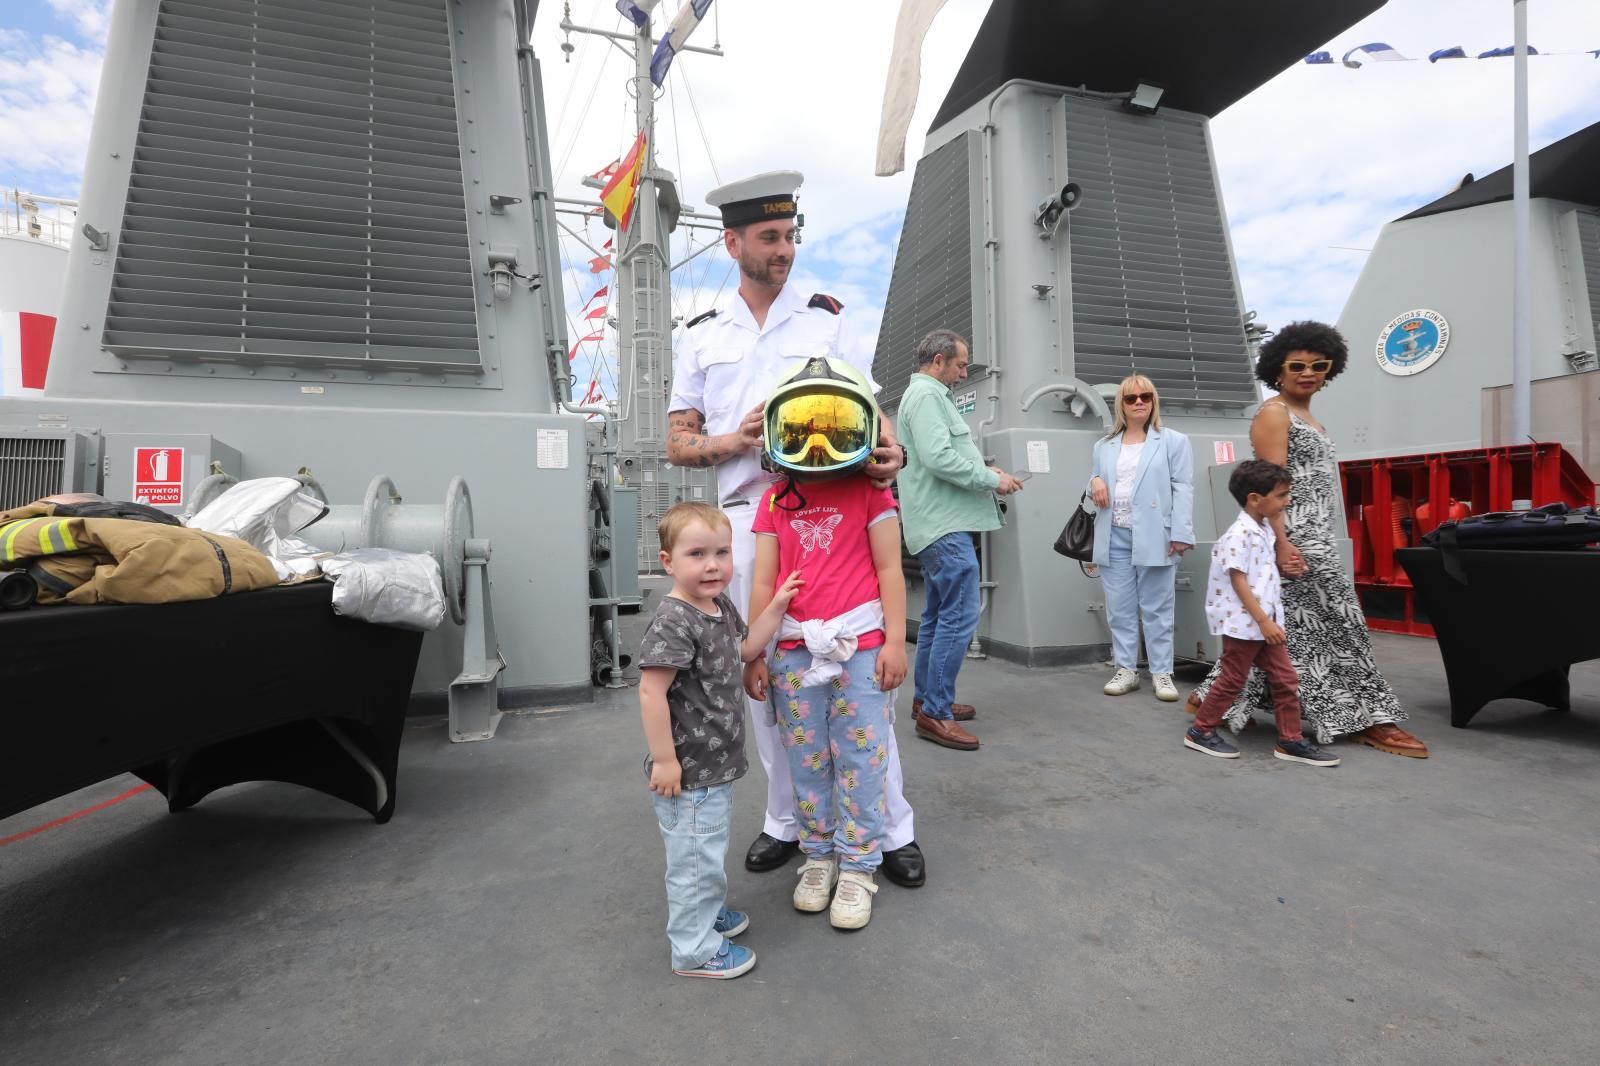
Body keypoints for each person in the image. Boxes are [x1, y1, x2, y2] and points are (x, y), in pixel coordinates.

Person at [664, 170, 926, 888]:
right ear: (734, 242)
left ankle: (889, 828)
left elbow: (871, 410)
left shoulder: (823, 321)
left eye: (790, 237)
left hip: (835, 515)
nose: (784, 250)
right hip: (751, 523)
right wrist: (732, 442)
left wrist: (894, 451)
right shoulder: (703, 337)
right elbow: (678, 440)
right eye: (770, 238)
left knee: (865, 681)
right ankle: (787, 820)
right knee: (772, 687)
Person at [1184, 321, 1428, 757]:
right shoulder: (1275, 413)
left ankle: (1214, 698)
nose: (1307, 372)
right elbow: (1271, 485)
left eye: (1319, 365)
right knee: (1340, 625)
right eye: (1296, 365)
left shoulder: (1308, 415)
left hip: (1315, 536)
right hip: (1295, 539)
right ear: (1278, 370)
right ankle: (1369, 718)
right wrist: (1281, 545)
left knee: (1290, 631)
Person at [745, 357, 908, 928]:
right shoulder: (773, 500)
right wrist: (755, 653)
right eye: (802, 428)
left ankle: (860, 865)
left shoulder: (870, 494)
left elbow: (890, 571)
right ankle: (817, 856)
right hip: (792, 653)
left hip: (860, 648)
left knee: (863, 759)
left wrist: (893, 642)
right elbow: (763, 582)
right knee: (806, 760)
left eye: (832, 426)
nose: (817, 443)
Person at [638, 502, 804, 978]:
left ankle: (706, 917)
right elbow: (651, 692)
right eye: (697, 554)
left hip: (714, 766)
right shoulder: (675, 620)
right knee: (693, 860)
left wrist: (775, 606)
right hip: (688, 771)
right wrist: (666, 761)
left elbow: (746, 650)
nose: (712, 565)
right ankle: (693, 950)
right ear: (668, 561)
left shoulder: (719, 606)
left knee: (705, 852)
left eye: (722, 552)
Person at [894, 329, 1023, 750]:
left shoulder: (923, 398)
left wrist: (991, 475)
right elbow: (939, 458)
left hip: (936, 524)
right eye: (961, 364)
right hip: (944, 526)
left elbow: (938, 457)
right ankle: (936, 712)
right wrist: (991, 479)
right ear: (938, 362)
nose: (965, 373)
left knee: (936, 615)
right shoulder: (929, 397)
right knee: (960, 615)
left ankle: (926, 700)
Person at [1185, 461, 1339, 766]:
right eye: (1281, 495)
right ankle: (1200, 731)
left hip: (1265, 622)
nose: (1288, 500)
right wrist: (1264, 621)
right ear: (1255, 499)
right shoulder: (1239, 534)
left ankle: (1290, 740)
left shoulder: (1264, 529)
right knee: (1232, 678)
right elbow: (1238, 580)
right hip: (1246, 624)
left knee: (1285, 678)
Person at [1087, 374, 1194, 701]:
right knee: (1119, 608)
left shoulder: (1173, 441)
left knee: (1158, 607)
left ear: (1153, 401)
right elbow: (1098, 483)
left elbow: (1183, 488)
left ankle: (1162, 672)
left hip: (1155, 534)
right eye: (1131, 398)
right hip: (1113, 533)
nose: (1139, 403)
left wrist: (1181, 532)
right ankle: (1127, 668)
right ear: (1121, 403)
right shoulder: (1103, 446)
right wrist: (1094, 481)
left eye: (1145, 397)